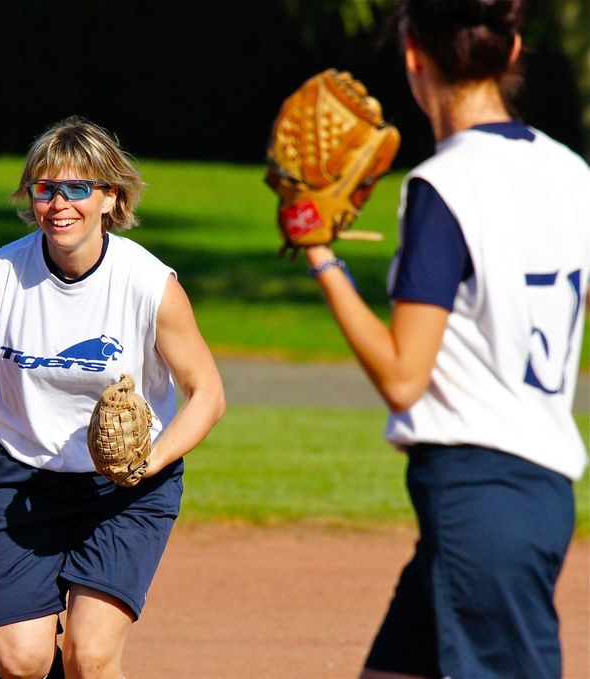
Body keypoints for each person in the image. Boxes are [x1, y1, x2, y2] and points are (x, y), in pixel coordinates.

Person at [296, 1, 590, 677]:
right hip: (535, 496)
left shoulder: (443, 183)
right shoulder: (572, 173)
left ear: (412, 57)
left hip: (478, 492)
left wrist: (320, 254)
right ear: (513, 52)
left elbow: (404, 375)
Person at [0, 115, 225, 679]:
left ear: (110, 197)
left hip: (126, 492)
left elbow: (207, 393)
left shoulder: (148, 284)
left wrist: (146, 462)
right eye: (46, 188)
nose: (60, 204)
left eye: (78, 188)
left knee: (90, 655)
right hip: (25, 477)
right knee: (19, 659)